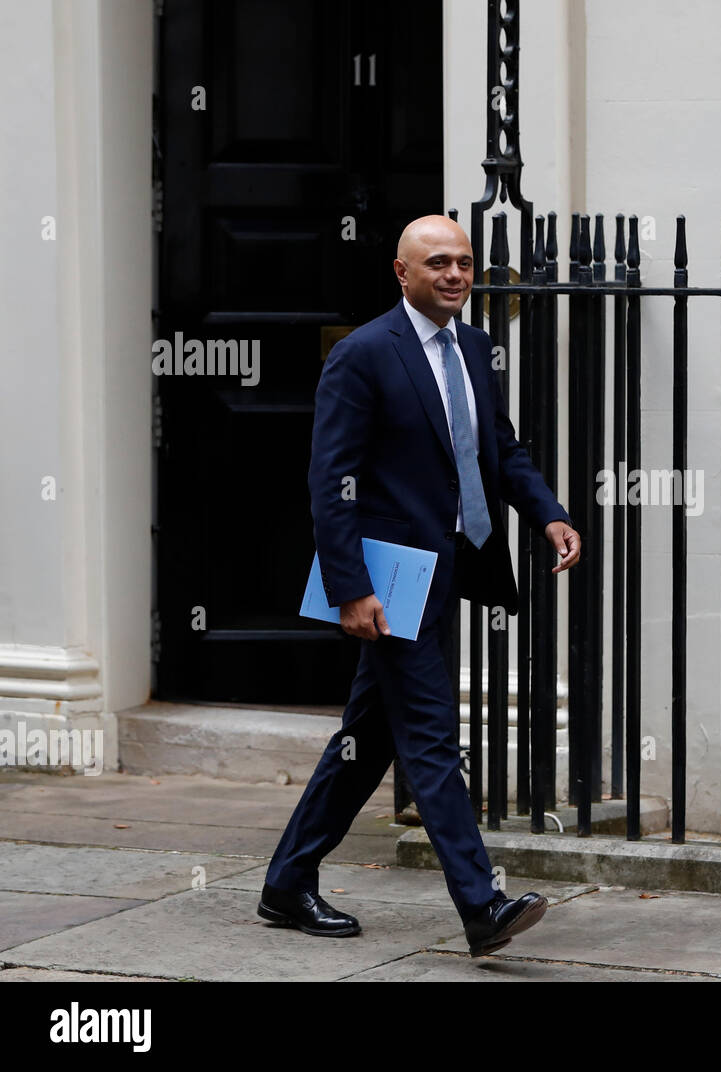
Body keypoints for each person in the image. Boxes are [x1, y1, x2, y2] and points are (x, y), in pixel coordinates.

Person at [258, 215, 580, 958]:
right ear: (401, 273)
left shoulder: (471, 346)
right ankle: (482, 905)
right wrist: (351, 587)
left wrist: (548, 516)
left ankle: (285, 881)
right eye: (438, 263)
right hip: (391, 583)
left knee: (367, 740)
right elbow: (330, 480)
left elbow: (497, 445)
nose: (456, 275)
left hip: (447, 572)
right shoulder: (364, 355)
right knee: (432, 740)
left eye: (465, 262)